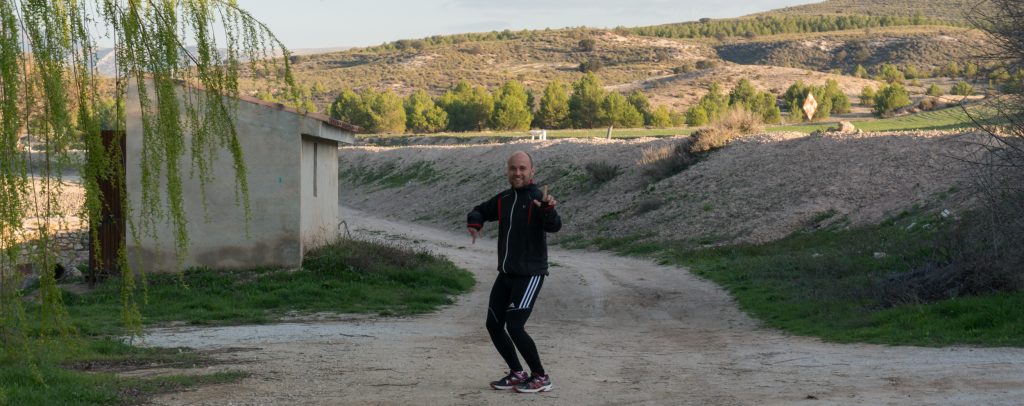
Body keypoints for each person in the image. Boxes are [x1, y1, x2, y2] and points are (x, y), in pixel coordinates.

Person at [467, 150, 561, 393]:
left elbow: (554, 226)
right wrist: (475, 223)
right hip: (506, 274)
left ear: (532, 171)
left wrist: (548, 210)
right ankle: (517, 373)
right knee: (493, 324)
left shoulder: (538, 198)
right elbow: (481, 210)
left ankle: (540, 376)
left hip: (530, 274)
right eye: (513, 168)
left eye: (522, 168)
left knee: (515, 325)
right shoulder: (504, 199)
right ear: (507, 171)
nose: (517, 172)